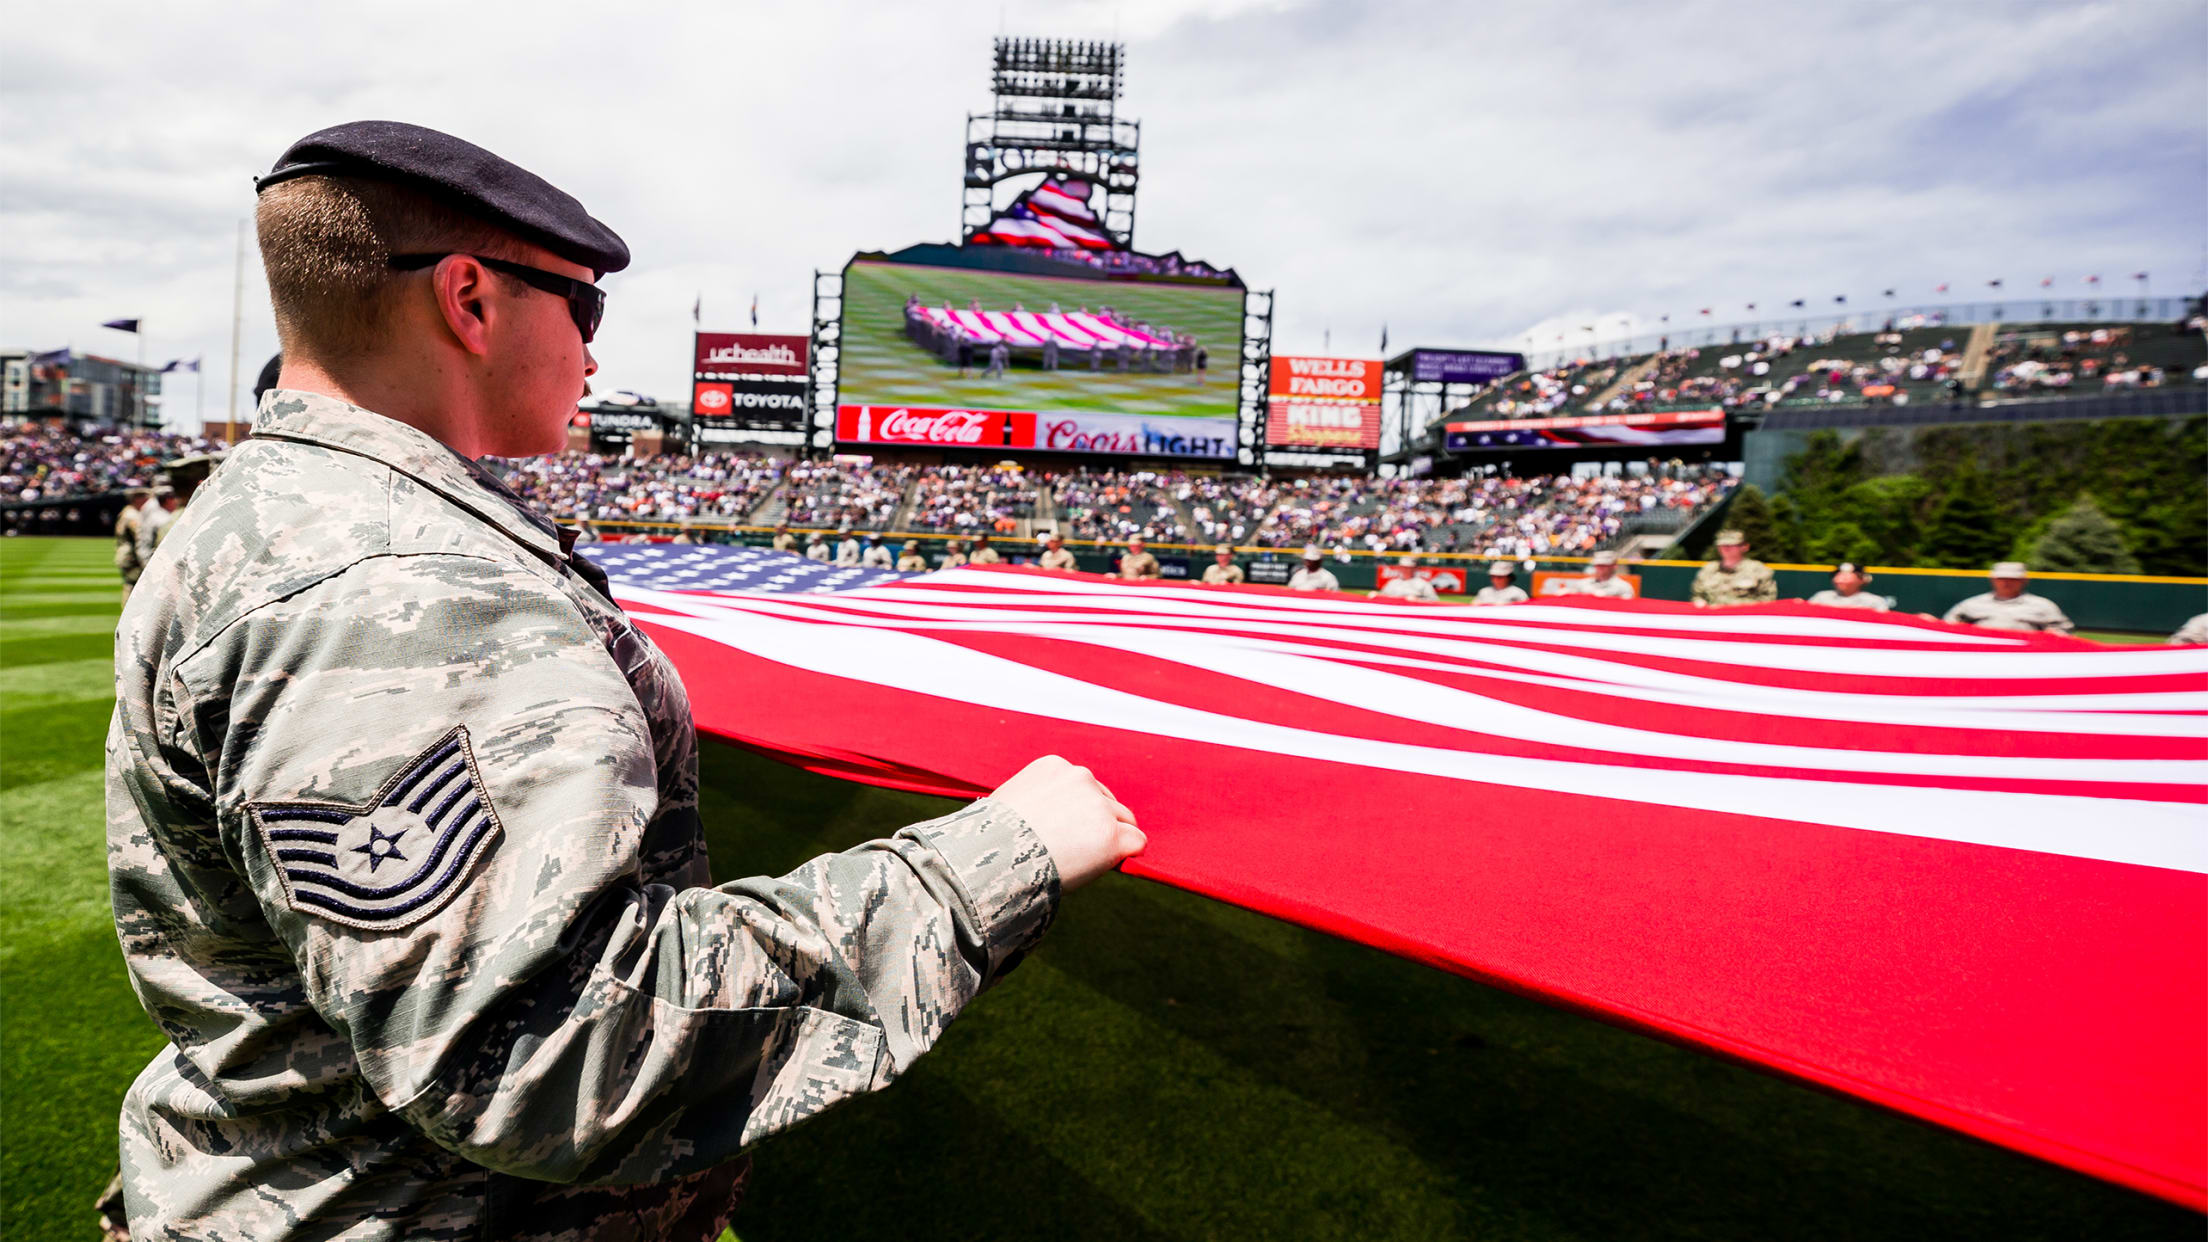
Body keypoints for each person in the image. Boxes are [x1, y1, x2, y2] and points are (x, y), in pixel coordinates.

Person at [102, 119, 1144, 1242]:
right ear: (469, 299)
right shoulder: (399, 581)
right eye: (582, 305)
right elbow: (549, 1053)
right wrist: (987, 863)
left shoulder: (285, 511)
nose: (595, 354)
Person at [1942, 562, 2075, 633]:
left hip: (2026, 658)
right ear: (1993, 580)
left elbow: (2064, 630)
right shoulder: (1971, 604)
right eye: (2002, 578)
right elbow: (1948, 628)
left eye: (2013, 579)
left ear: (2024, 580)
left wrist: (2055, 635)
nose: (2006, 582)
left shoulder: (2043, 605)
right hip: (1982, 657)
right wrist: (1930, 624)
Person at [1691, 529, 1777, 607]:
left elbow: (1768, 599)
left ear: (1744, 547)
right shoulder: (1708, 570)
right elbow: (1697, 596)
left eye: (1731, 545)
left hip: (1744, 618)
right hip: (1714, 619)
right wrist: (1700, 603)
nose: (1726, 548)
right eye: (1722, 545)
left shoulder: (1757, 569)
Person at [113, 487, 151, 601]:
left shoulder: (128, 511)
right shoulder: (132, 514)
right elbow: (140, 535)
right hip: (131, 557)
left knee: (132, 586)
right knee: (134, 589)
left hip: (126, 555)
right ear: (137, 499)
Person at [1806, 562, 1889, 610]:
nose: (1841, 579)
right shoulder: (1821, 597)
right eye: (1839, 575)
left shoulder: (1874, 601)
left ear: (1862, 579)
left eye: (1847, 575)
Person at [1561, 549, 1635, 599]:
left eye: (1604, 565)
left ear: (1614, 566)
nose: (1600, 568)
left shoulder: (1624, 587)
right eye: (1598, 565)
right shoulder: (1583, 583)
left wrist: (1607, 597)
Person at [1374, 556, 1439, 603]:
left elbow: (1434, 602)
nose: (1405, 570)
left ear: (1415, 568)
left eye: (1409, 568)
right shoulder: (1392, 582)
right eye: (1403, 567)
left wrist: (1418, 600)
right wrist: (1376, 595)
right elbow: (1383, 597)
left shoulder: (1423, 584)